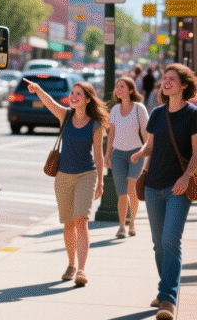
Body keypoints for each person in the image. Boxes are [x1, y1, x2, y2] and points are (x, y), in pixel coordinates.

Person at [24, 78, 108, 286]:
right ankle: (71, 264)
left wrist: (100, 181)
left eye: (79, 94)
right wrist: (38, 90)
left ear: (87, 100)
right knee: (68, 223)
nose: (74, 97)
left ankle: (81, 269)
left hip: (86, 175)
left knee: (81, 220)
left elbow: (98, 155)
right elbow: (50, 102)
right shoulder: (66, 115)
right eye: (72, 93)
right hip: (63, 176)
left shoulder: (95, 125)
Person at [131, 63, 197, 320]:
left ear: (183, 85)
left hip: (177, 187)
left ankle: (168, 297)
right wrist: (140, 152)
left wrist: (185, 176)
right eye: (165, 78)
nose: (166, 82)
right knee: (159, 245)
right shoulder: (158, 113)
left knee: (171, 240)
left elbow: (195, 153)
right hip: (153, 185)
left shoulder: (193, 115)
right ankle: (166, 286)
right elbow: (151, 146)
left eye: (172, 79)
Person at [104, 77, 148, 238]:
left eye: (122, 86)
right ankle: (122, 226)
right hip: (118, 155)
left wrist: (145, 152)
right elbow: (112, 134)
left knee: (132, 190)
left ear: (130, 90)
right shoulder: (115, 109)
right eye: (117, 87)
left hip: (136, 153)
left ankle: (132, 223)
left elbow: (146, 133)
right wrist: (107, 155)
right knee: (122, 193)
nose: (118, 89)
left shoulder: (139, 109)